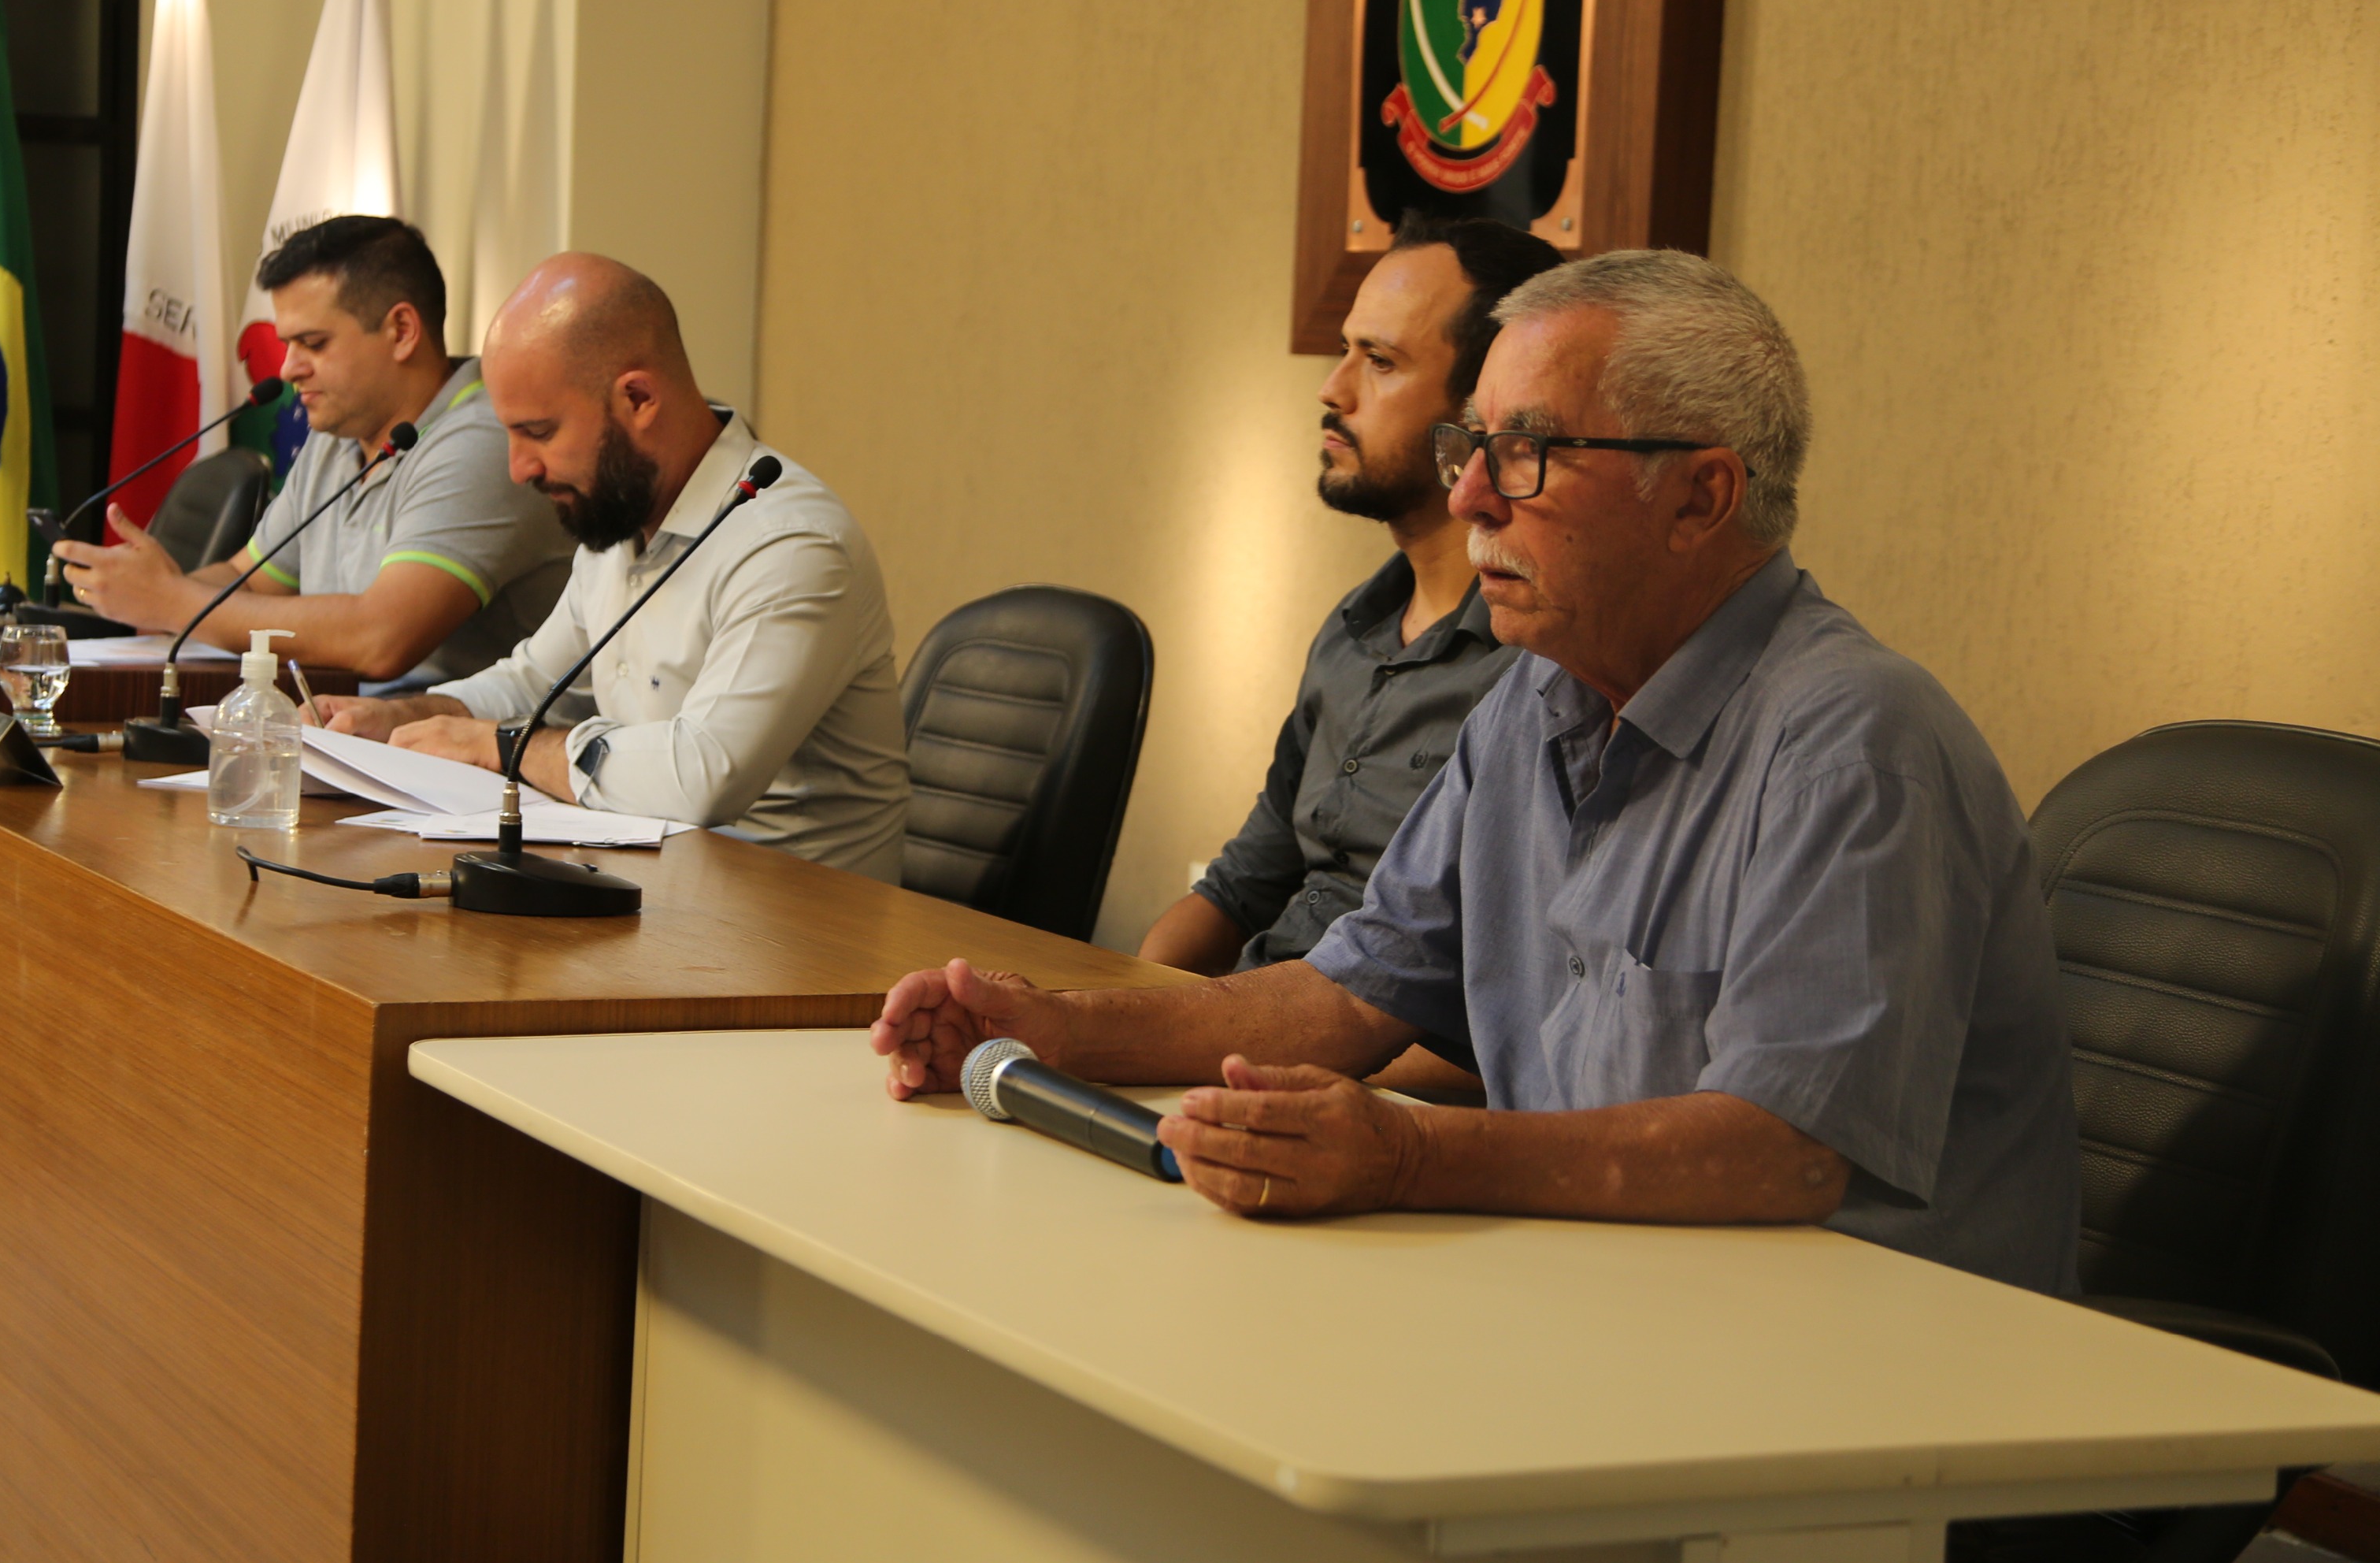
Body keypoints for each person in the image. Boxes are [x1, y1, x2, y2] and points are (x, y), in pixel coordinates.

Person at [874, 250, 2079, 1295]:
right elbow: (1346, 997)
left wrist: (1409, 1158)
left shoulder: (1852, 744)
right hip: (1599, 1309)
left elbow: (1783, 1150)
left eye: (1527, 454)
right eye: (1470, 445)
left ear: (1701, 495)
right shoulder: (1531, 706)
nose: (1465, 495)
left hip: (1866, 1410)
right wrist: (1057, 1028)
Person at [313, 253, 911, 878]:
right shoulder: (617, 521)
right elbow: (530, 683)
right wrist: (405, 717)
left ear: (639, 398)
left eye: (539, 432)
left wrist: (501, 747)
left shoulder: (789, 545)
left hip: (795, 932)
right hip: (656, 891)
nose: (518, 469)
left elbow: (701, 778)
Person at [1140, 214, 1559, 975]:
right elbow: (1240, 889)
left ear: (1483, 408)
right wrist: (1135, 998)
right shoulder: (1353, 626)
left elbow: (1506, 994)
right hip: (1247, 1026)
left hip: (1372, 1069)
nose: (1333, 389)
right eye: (1344, 350)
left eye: (1381, 361)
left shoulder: (1541, 666)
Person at [53, 217, 574, 686]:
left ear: (401, 331)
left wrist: (173, 601)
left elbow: (381, 638)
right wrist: (139, 586)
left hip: (459, 770)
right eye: (288, 344)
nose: (287, 368)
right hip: (348, 738)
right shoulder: (337, 437)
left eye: (314, 344)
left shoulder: (484, 440)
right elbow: (247, 580)